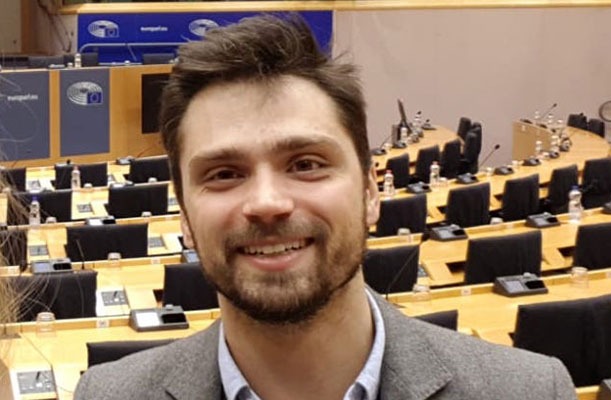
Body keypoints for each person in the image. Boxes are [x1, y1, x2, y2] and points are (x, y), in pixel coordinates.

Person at [75, 14, 576, 400]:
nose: (267, 203)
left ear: (370, 192)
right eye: (224, 174)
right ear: (183, 216)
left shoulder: (529, 390)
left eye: (307, 163)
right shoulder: (105, 395)